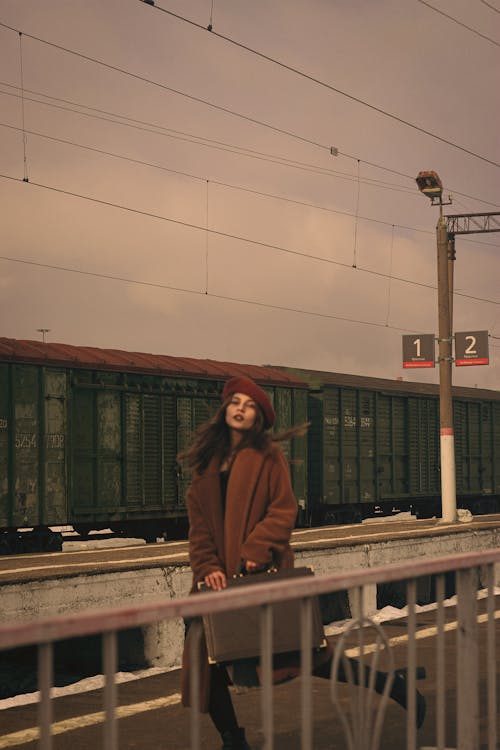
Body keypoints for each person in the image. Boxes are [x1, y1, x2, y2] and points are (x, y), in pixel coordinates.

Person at [179, 376, 425, 750]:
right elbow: (198, 528)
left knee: (312, 656)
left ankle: (393, 686)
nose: (240, 408)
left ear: (259, 418)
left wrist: (253, 553)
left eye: (249, 404)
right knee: (204, 660)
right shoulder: (206, 463)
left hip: (261, 574)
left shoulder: (268, 456)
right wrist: (207, 566)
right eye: (235, 401)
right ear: (225, 408)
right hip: (215, 582)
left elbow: (283, 510)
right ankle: (233, 740)